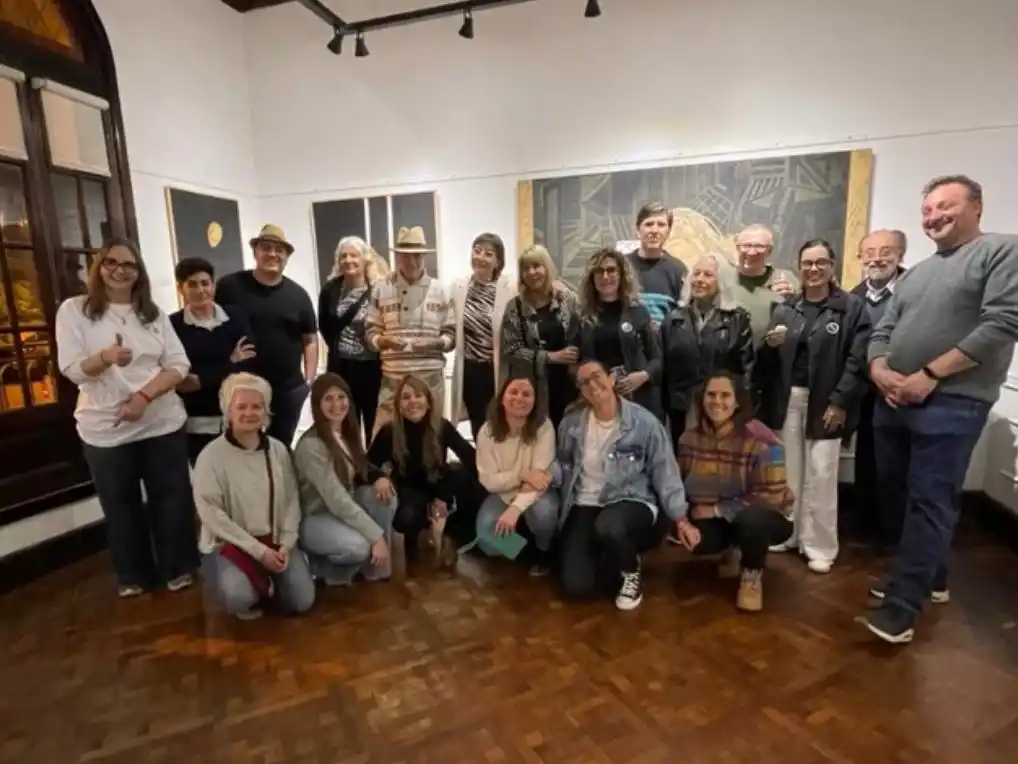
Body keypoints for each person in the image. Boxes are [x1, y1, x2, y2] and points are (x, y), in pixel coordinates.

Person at [864, 175, 1018, 644]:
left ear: (977, 206)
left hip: (952, 401)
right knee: (897, 495)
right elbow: (883, 329)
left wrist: (930, 375)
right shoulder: (916, 273)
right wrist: (880, 369)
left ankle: (902, 607)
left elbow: (1003, 323)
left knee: (930, 500)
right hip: (894, 399)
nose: (934, 217)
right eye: (928, 209)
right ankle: (931, 578)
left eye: (945, 206)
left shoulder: (1002, 251)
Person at [55, 238, 197, 598]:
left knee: (172, 497)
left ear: (139, 272)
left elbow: (178, 364)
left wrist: (143, 397)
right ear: (99, 267)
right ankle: (133, 574)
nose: (120, 270)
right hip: (105, 426)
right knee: (120, 503)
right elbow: (72, 369)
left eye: (129, 264)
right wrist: (105, 357)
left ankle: (177, 567)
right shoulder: (74, 311)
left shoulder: (153, 313)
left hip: (161, 420)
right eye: (112, 262)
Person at [756, 240, 871, 574]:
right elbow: (769, 360)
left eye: (821, 262)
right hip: (789, 398)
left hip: (827, 400)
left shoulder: (851, 308)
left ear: (832, 265)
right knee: (789, 471)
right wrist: (768, 345)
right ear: (799, 266)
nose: (813, 269)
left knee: (821, 473)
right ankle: (788, 533)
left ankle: (819, 545)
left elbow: (858, 359)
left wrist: (840, 400)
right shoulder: (786, 307)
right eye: (807, 263)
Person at [552, 359, 687, 610]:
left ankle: (631, 571)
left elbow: (665, 470)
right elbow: (563, 464)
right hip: (584, 502)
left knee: (608, 525)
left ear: (611, 378)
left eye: (596, 376)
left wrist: (679, 517)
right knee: (576, 586)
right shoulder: (571, 423)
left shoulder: (644, 422)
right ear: (580, 391)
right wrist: (543, 475)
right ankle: (611, 554)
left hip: (630, 499)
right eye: (584, 382)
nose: (592, 385)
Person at [194, 373, 315, 619]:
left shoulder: (278, 450)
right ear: (228, 412)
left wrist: (286, 544)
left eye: (257, 406)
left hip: (276, 542)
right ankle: (248, 585)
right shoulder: (210, 456)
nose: (249, 413)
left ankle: (269, 583)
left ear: (266, 411)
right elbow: (211, 514)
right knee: (239, 596)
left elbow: (291, 500)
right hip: (233, 544)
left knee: (302, 601)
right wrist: (260, 552)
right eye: (241, 407)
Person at [678, 372, 794, 611]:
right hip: (717, 516)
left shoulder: (763, 439)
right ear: (702, 399)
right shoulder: (689, 439)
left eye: (725, 395)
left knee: (752, 521)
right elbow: (678, 483)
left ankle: (752, 575)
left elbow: (771, 497)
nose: (717, 401)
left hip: (766, 516)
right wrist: (682, 519)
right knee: (695, 536)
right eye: (711, 395)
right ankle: (729, 550)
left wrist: (716, 509)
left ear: (738, 400)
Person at [215, 224, 318, 447]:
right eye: (266, 248)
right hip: (242, 387)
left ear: (287, 256)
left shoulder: (298, 295)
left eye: (279, 250)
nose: (272, 254)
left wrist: (308, 381)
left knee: (281, 446)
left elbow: (310, 338)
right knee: (242, 445)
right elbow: (212, 324)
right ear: (255, 252)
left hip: (287, 390)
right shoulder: (229, 287)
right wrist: (226, 358)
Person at [367, 375, 481, 567]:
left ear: (428, 402)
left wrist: (443, 497)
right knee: (407, 517)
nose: (412, 401)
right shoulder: (389, 432)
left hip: (438, 486)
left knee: (470, 482)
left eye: (418, 395)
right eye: (406, 397)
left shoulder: (441, 426)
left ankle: (450, 537)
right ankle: (421, 535)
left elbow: (470, 458)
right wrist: (379, 477)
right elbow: (366, 465)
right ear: (398, 405)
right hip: (408, 490)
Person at [293, 373, 396, 584]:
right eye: (328, 399)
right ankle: (321, 570)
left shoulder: (345, 433)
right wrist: (375, 536)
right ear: (317, 404)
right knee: (359, 546)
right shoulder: (311, 446)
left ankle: (375, 567)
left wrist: (380, 477)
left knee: (384, 496)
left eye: (341, 397)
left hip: (340, 510)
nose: (336, 404)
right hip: (316, 517)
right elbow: (336, 499)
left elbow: (363, 467)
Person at [661, 253, 754, 453]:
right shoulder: (674, 319)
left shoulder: (737, 320)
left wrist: (742, 409)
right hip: (681, 409)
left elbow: (747, 369)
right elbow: (663, 367)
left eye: (708, 275)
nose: (700, 280)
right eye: (696, 274)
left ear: (721, 282)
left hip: (722, 408)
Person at [849, 229, 907, 551]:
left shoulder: (913, 290)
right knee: (866, 458)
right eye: (870, 252)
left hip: (899, 390)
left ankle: (894, 530)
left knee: (895, 462)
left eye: (886, 251)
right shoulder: (853, 296)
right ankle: (866, 522)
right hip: (864, 391)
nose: (877, 259)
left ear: (900, 255)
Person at [364, 226, 456, 432]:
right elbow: (370, 333)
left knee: (433, 434)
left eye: (417, 256)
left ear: (424, 256)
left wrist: (434, 343)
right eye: (406, 256)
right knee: (384, 434)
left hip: (430, 378)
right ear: (397, 256)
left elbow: (451, 336)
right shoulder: (381, 288)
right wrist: (384, 341)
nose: (412, 262)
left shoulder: (440, 289)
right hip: (393, 378)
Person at [170, 257, 255, 464]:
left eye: (205, 283)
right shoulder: (172, 326)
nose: (200, 290)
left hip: (238, 417)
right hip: (197, 424)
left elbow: (248, 365)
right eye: (192, 284)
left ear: (213, 285)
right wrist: (230, 364)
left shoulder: (236, 317)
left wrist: (202, 378)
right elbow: (182, 383)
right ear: (181, 289)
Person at [474, 375, 559, 576]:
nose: (519, 398)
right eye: (513, 392)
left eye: (526, 394)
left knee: (544, 515)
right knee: (488, 541)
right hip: (503, 493)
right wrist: (521, 475)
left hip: (538, 493)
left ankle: (544, 551)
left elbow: (539, 478)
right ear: (502, 398)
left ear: (535, 401)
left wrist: (514, 509)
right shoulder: (487, 431)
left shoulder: (544, 427)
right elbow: (488, 481)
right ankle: (524, 550)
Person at [576, 247, 663, 420]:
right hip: (598, 398)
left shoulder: (638, 311)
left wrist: (643, 376)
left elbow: (657, 359)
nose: (605, 276)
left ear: (622, 274)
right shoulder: (581, 316)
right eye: (599, 271)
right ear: (591, 278)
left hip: (639, 398)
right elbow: (576, 363)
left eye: (611, 270)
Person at [499, 244, 580, 430]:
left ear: (547, 267)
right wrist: (550, 357)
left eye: (536, 266)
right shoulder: (515, 307)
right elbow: (511, 351)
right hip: (532, 386)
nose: (531, 273)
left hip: (568, 384)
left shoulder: (567, 299)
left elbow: (579, 333)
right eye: (526, 268)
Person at [317, 236, 386, 443]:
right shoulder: (330, 290)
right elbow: (325, 327)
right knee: (345, 420)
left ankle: (373, 460)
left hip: (372, 368)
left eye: (354, 255)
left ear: (365, 259)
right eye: (343, 256)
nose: (348, 260)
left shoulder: (378, 289)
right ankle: (349, 459)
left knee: (374, 421)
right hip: (341, 367)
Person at [450, 233, 516, 439]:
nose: (480, 257)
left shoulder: (509, 289)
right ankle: (481, 460)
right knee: (478, 427)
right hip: (470, 370)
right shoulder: (458, 288)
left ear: (498, 261)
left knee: (502, 424)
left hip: (496, 370)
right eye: (477, 251)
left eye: (488, 254)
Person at [733, 225, 799, 344]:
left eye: (759, 246)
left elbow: (805, 316)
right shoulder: (724, 279)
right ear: (738, 248)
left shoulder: (785, 279)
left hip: (772, 351)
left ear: (769, 251)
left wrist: (793, 299)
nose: (751, 252)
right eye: (746, 245)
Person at [626, 201, 687, 325]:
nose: (654, 230)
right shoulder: (623, 266)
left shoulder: (678, 270)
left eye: (661, 225)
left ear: (668, 231)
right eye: (649, 224)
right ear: (637, 230)